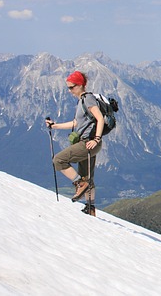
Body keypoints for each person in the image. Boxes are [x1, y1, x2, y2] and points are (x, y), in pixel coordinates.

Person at [45, 71, 104, 216]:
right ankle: (90, 208)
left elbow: (100, 118)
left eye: (71, 87)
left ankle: (80, 183)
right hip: (90, 143)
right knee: (88, 177)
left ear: (80, 85)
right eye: (68, 88)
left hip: (88, 143)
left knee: (58, 160)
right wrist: (55, 126)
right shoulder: (83, 101)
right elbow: (77, 123)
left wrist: (96, 139)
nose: (69, 91)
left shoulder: (87, 99)